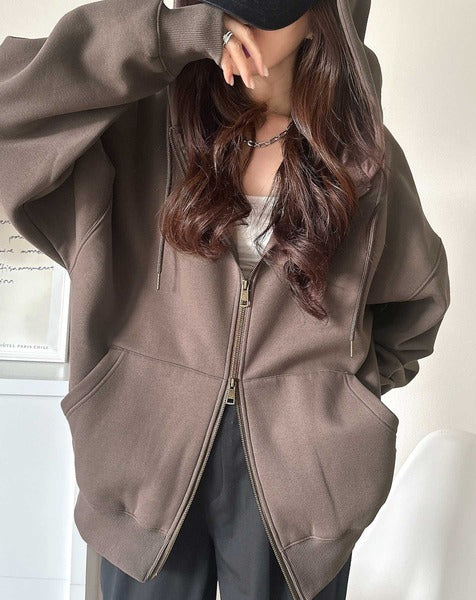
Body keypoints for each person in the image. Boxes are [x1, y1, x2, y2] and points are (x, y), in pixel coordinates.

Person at [0, 0, 451, 598]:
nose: (245, 15)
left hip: (295, 484)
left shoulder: (361, 158)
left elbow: (416, 306)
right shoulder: (140, 125)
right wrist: (169, 36)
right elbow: (10, 110)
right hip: (145, 457)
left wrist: (337, 398)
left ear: (322, 15)